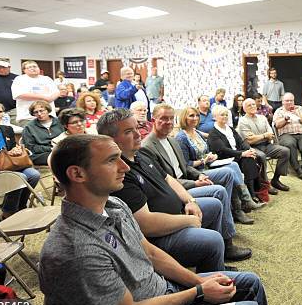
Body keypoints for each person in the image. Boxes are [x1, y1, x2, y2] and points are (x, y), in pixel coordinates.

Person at [40, 134, 270, 305]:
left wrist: (199, 281)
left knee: (250, 282)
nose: (125, 167)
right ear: (77, 174)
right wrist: (197, 292)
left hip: (165, 291)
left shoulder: (115, 205)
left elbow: (149, 252)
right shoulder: (76, 249)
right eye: (112, 160)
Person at [98, 109, 252, 262]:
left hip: (179, 206)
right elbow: (146, 224)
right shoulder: (121, 173)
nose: (138, 134)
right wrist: (188, 220)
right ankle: (211, 270)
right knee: (213, 238)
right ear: (110, 139)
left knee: (216, 203)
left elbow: (169, 179)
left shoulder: (142, 154)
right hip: (162, 232)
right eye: (128, 131)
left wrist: (189, 201)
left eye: (137, 128)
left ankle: (222, 251)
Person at [144, 104, 262, 225]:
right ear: (153, 120)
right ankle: (229, 229)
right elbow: (166, 179)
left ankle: (238, 207)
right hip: (177, 188)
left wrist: (199, 174)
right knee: (221, 188)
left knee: (231, 170)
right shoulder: (152, 145)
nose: (168, 122)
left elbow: (184, 166)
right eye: (163, 118)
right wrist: (195, 180)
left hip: (197, 172)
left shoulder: (172, 140)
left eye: (171, 118)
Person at [208, 105, 266, 202]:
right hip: (225, 158)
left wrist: (249, 149)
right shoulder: (213, 133)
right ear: (215, 117)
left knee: (251, 157)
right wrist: (242, 154)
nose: (225, 117)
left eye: (226, 115)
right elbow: (223, 150)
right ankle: (250, 195)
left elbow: (241, 142)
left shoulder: (230, 128)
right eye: (222, 115)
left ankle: (254, 191)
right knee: (247, 159)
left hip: (237, 155)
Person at [237, 98, 290, 192]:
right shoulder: (243, 121)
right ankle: (265, 183)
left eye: (253, 104)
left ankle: (275, 180)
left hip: (266, 145)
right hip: (252, 147)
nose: (253, 106)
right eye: (249, 105)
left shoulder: (262, 117)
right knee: (261, 156)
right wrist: (265, 135)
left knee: (285, 151)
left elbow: (270, 132)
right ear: (244, 109)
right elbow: (250, 140)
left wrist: (261, 136)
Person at [273, 92, 302, 180]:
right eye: (287, 101)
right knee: (290, 144)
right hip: (286, 135)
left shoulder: (300, 108)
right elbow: (277, 125)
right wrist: (285, 118)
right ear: (282, 102)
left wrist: (296, 114)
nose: (289, 102)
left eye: (291, 100)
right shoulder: (279, 111)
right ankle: (297, 169)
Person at [11, 60, 59, 126]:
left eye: (35, 66)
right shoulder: (20, 79)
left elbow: (56, 92)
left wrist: (50, 98)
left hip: (49, 115)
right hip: (29, 117)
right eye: (29, 67)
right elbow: (19, 94)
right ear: (24, 70)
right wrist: (44, 98)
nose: (33, 68)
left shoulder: (47, 79)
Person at [22, 100, 64, 165]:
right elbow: (30, 147)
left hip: (61, 149)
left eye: (41, 110)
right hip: (40, 154)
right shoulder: (29, 127)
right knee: (57, 157)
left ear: (47, 110)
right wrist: (50, 148)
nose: (39, 114)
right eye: (36, 112)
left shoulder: (60, 122)